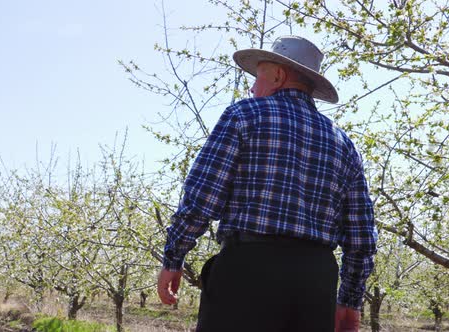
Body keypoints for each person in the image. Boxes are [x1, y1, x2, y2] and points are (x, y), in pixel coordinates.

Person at [157, 35, 377, 332]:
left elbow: (202, 198)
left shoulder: (244, 115)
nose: (251, 87)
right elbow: (362, 237)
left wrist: (174, 257)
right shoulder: (344, 144)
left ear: (277, 75)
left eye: (257, 75)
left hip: (248, 273)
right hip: (315, 282)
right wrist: (349, 301)